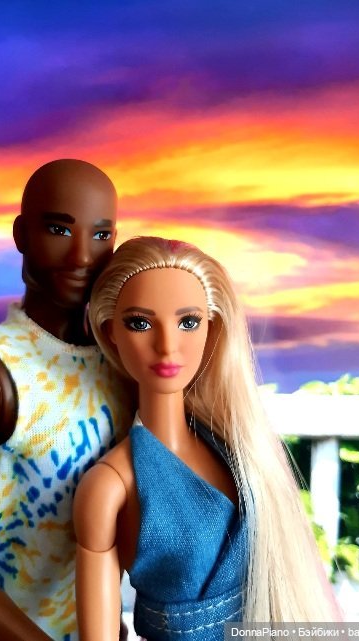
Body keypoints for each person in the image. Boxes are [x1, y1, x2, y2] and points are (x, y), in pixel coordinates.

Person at [73, 236, 340, 641]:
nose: (167, 346)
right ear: (111, 333)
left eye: (188, 322)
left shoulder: (237, 449)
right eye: (140, 323)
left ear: (211, 327)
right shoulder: (111, 484)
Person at [0, 159, 134, 641]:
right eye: (59, 229)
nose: (82, 256)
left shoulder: (122, 366)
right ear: (21, 234)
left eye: (101, 235)